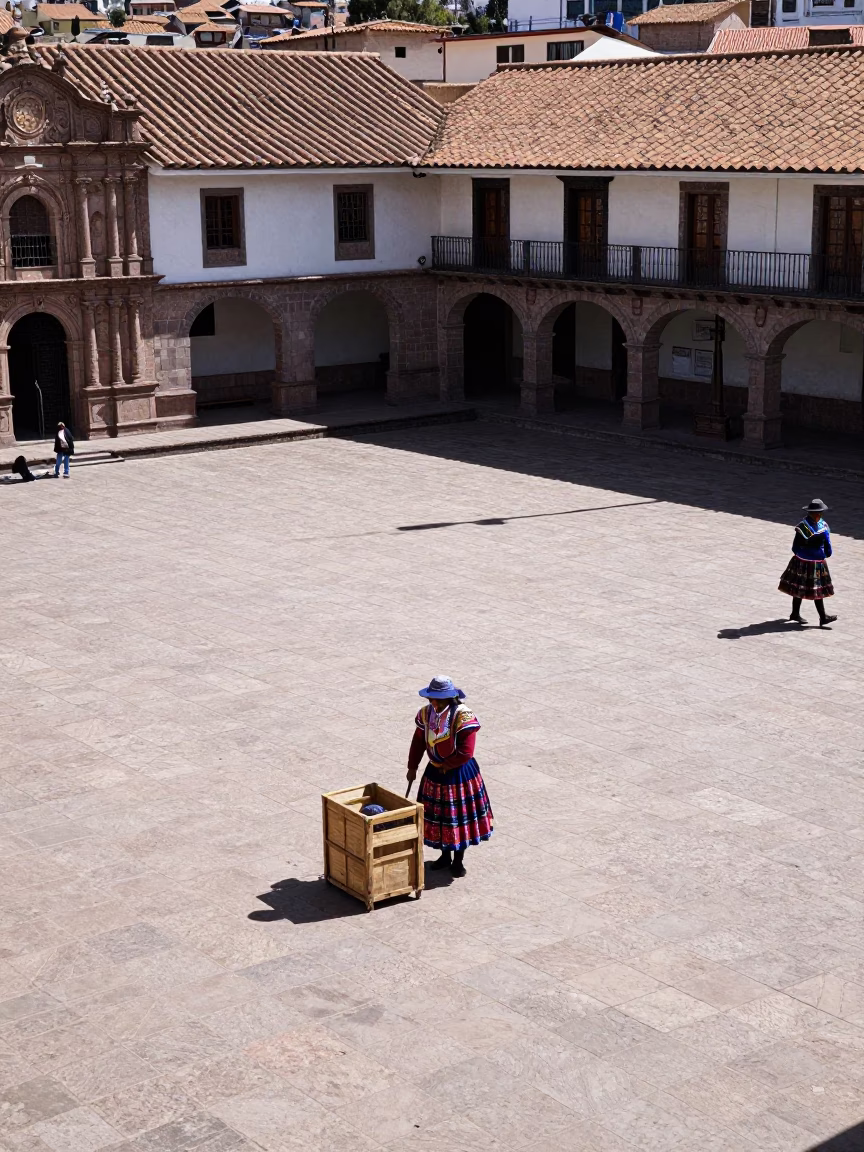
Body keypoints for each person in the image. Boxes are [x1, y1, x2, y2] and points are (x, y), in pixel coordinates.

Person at [406, 675, 493, 877]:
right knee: (440, 816)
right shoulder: (427, 714)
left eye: (436, 699)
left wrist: (447, 766)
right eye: (431, 699)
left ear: (448, 698)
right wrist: (413, 766)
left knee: (457, 816)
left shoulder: (463, 717)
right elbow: (418, 741)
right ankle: (445, 856)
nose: (432, 702)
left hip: (459, 774)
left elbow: (466, 751)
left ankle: (458, 860)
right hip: (435, 772)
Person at [779, 498, 837, 627]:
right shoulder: (820, 526)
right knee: (814, 588)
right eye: (818, 513)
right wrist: (824, 554)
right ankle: (821, 617)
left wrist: (801, 555)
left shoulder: (804, 526)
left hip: (804, 560)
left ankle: (798, 613)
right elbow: (827, 546)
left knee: (801, 587)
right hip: (811, 562)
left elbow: (795, 547)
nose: (819, 515)